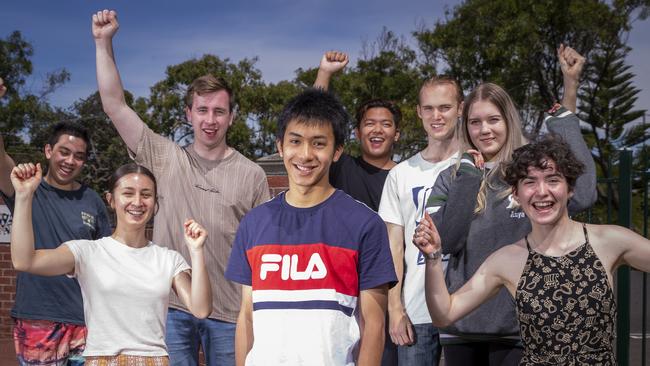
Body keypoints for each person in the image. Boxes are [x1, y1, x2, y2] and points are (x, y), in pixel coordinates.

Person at [93, 10, 270, 365]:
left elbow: (262, 250)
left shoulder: (252, 174)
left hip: (230, 311)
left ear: (232, 117)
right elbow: (114, 104)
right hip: (170, 308)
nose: (210, 120)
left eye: (219, 111)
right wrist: (103, 42)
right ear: (188, 114)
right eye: (202, 110)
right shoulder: (164, 157)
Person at [424, 45, 596, 365]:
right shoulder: (451, 177)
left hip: (523, 328)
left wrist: (566, 110)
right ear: (466, 126)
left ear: (508, 120)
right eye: (475, 122)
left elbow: (584, 193)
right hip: (465, 326)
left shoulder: (532, 175)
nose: (484, 130)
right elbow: (448, 240)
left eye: (493, 119)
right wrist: (468, 178)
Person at [413, 135, 650, 365]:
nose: (542, 191)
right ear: (516, 194)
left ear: (570, 188)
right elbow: (444, 314)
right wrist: (433, 258)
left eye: (553, 179)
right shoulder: (507, 259)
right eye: (529, 182)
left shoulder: (609, 241)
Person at [225, 89, 397, 366]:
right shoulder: (253, 224)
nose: (305, 155)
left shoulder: (364, 224)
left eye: (318, 143)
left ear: (337, 150)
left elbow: (373, 326)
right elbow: (247, 317)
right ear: (280, 146)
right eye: (295, 141)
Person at [10, 162, 212, 365]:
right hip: (101, 359)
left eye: (146, 194)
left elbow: (201, 309)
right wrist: (24, 196)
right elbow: (25, 260)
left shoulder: (168, 259)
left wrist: (196, 251)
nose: (137, 201)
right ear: (111, 200)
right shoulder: (88, 252)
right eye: (128, 193)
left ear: (155, 203)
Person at [1, 76, 111, 366]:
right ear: (49, 151)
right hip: (37, 318)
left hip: (86, 322)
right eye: (64, 152)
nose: (70, 161)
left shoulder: (93, 201)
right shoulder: (26, 188)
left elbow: (107, 260)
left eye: (79, 156)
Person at [376, 74, 464, 365]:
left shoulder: (474, 165)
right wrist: (395, 308)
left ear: (460, 109)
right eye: (429, 108)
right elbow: (393, 248)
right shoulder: (401, 174)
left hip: (466, 309)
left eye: (445, 107)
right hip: (416, 312)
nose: (436, 116)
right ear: (419, 111)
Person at [313, 51, 401, 211]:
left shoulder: (407, 175)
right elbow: (315, 125)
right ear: (357, 133)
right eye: (370, 123)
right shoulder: (342, 167)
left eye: (386, 124)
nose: (377, 130)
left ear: (396, 135)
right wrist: (325, 73)